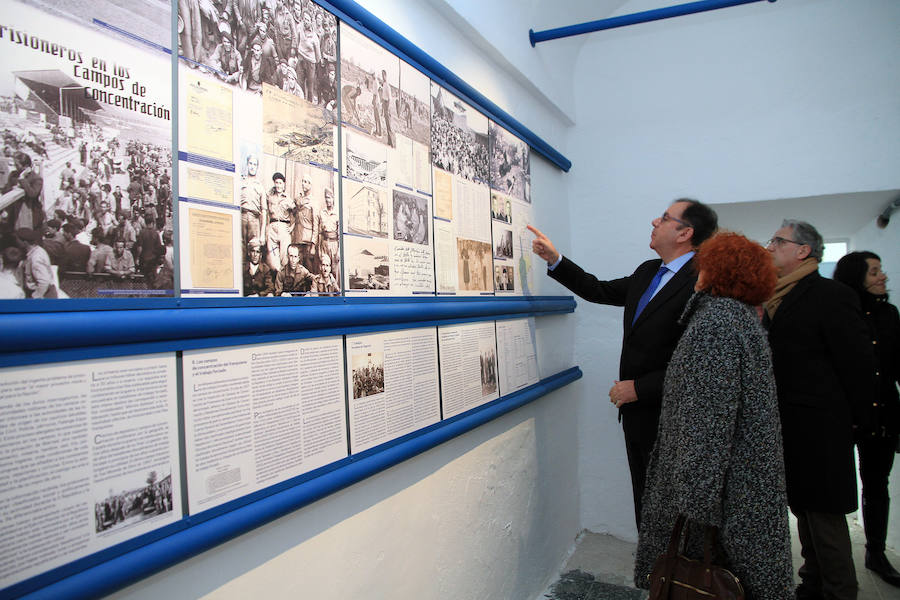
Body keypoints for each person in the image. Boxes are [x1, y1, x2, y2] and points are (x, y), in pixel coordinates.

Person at [528, 198, 718, 529]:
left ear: (685, 232)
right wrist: (556, 260)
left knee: (674, 507)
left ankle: (674, 575)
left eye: (664, 218)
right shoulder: (648, 272)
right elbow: (599, 290)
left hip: (673, 416)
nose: (653, 222)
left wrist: (640, 388)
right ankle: (654, 573)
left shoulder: (704, 283)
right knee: (646, 499)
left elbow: (703, 363)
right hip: (637, 415)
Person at [633, 231, 792, 599]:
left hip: (718, 505)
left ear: (713, 274)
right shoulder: (736, 320)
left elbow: (707, 427)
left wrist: (694, 512)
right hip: (738, 488)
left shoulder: (714, 327)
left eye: (701, 266)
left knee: (708, 585)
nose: (695, 272)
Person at [763, 220, 877, 600]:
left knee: (825, 517)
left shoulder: (831, 295)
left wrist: (861, 423)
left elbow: (857, 365)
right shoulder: (771, 296)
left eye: (778, 241)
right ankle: (811, 585)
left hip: (822, 428)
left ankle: (840, 591)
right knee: (804, 513)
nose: (770, 246)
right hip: (789, 427)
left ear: (803, 251)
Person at [833, 251, 900, 586]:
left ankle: (875, 552)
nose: (882, 276)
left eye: (880, 270)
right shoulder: (840, 313)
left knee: (877, 485)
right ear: (856, 276)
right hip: (843, 415)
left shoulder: (890, 314)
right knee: (832, 490)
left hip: (883, 414)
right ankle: (832, 564)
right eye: (874, 272)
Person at [265, 172, 292, 270]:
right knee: (272, 259)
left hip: (284, 227)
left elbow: (296, 213)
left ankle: (284, 282)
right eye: (276, 183)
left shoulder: (288, 199)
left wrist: (292, 226)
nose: (278, 185)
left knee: (284, 257)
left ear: (284, 184)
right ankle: (275, 279)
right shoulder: (270, 196)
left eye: (280, 183)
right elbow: (265, 210)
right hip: (272, 226)